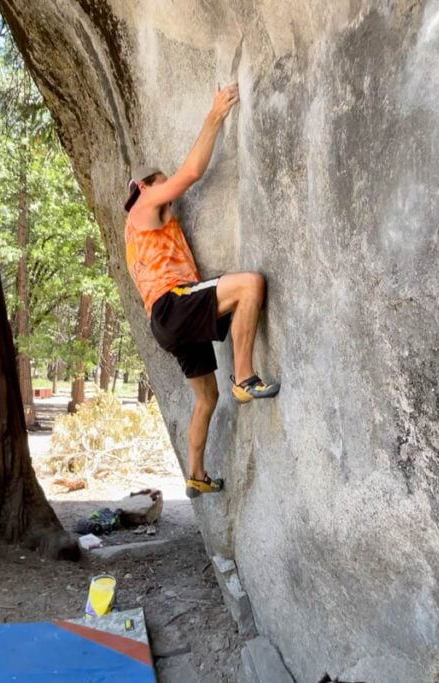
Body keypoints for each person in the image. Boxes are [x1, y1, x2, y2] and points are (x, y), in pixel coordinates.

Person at [124, 82, 280, 499]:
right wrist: (215, 115)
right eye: (161, 184)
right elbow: (191, 173)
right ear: (144, 187)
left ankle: (196, 473)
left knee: (206, 398)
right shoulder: (144, 205)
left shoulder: (141, 230)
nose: (168, 191)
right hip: (173, 304)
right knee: (250, 285)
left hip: (166, 323)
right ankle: (245, 377)